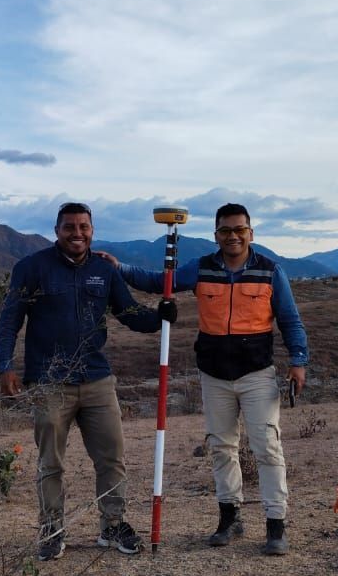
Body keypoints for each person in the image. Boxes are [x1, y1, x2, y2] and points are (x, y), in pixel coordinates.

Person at [107, 203, 309, 556]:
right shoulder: (201, 269)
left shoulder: (270, 272)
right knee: (221, 447)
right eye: (226, 231)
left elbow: (290, 320)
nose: (233, 236)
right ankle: (229, 518)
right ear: (216, 234)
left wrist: (298, 360)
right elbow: (160, 282)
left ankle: (276, 524)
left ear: (251, 233)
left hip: (257, 373)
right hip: (214, 374)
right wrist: (119, 268)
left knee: (267, 447)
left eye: (239, 230)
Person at [0, 202, 173, 561]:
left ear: (93, 229)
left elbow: (128, 312)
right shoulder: (32, 268)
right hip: (48, 382)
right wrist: (4, 366)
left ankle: (112, 526)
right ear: (56, 230)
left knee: (111, 459)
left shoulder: (103, 271)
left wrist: (159, 317)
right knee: (51, 463)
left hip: (96, 379)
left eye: (84, 227)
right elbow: (10, 319)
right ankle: (52, 530)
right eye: (69, 227)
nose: (77, 233)